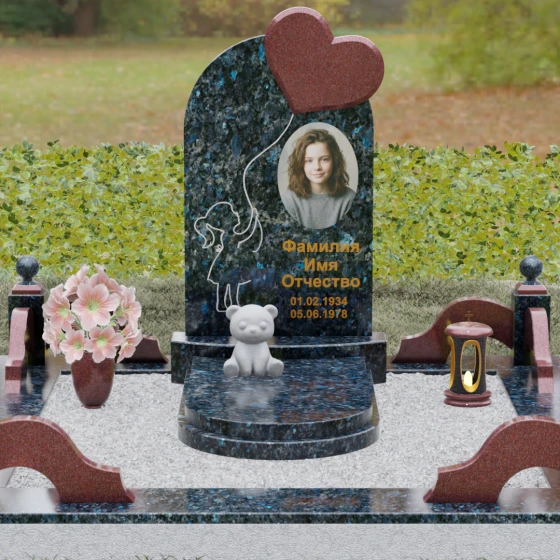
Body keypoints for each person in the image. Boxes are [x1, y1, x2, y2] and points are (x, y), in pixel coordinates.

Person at [282, 129, 355, 229]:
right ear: (300, 164)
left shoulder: (349, 199)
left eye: (324, 159)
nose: (317, 167)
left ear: (335, 161)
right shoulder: (290, 199)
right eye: (309, 161)